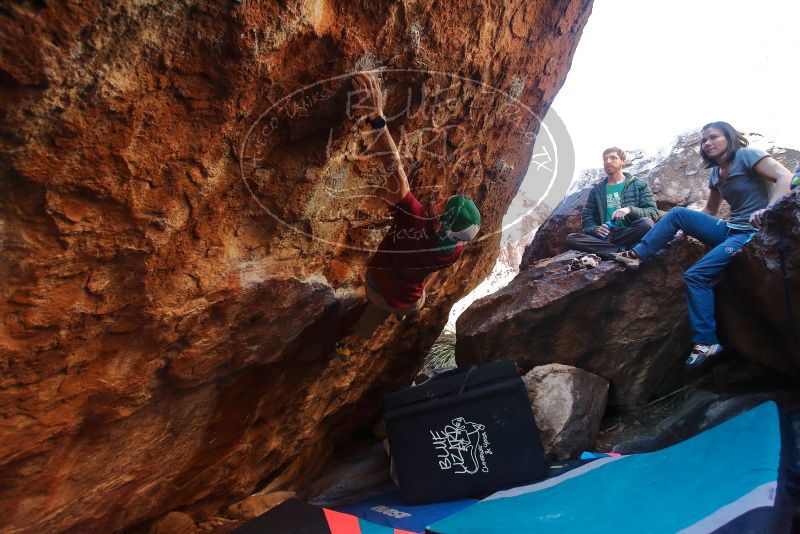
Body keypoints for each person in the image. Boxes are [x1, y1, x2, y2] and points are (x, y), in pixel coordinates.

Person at [612, 122, 793, 369]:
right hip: (730, 229)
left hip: (750, 233)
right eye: (703, 140)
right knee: (677, 214)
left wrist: (768, 211)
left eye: (713, 137)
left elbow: (785, 176)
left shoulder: (747, 155)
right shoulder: (716, 174)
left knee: (696, 276)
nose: (707, 143)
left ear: (729, 137)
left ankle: (707, 342)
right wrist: (674, 230)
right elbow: (710, 210)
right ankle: (638, 254)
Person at [338, 72, 481, 354]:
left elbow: (395, 168)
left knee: (376, 304)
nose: (439, 197)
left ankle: (351, 338)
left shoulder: (414, 218)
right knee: (392, 308)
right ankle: (360, 339)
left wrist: (376, 116)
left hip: (377, 287)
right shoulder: (454, 249)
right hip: (409, 300)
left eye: (443, 204)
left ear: (442, 221)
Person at [565, 147, 658, 259]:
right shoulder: (597, 190)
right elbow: (587, 219)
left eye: (613, 158)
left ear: (623, 161)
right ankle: (620, 251)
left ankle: (610, 250)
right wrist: (596, 229)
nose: (608, 161)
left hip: (630, 232)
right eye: (605, 159)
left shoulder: (638, 185)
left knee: (646, 223)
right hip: (608, 236)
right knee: (571, 238)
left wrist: (629, 210)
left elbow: (652, 213)